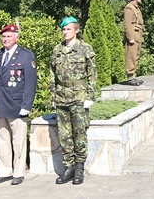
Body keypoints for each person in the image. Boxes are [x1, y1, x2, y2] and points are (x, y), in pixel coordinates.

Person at [0, 24, 38, 185]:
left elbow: (30, 83)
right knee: (2, 139)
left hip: (17, 105)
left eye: (9, 36)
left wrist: (26, 105)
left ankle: (18, 172)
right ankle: (5, 171)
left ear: (17, 37)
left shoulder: (25, 56)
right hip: (0, 103)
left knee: (18, 141)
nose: (5, 39)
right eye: (3, 36)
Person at [51, 17, 97, 185]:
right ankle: (68, 167)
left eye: (68, 29)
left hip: (79, 96)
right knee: (64, 135)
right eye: (63, 29)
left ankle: (79, 168)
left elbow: (92, 73)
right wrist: (53, 96)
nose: (65, 32)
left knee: (79, 133)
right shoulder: (57, 50)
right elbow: (52, 74)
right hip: (61, 96)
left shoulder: (85, 49)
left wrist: (90, 96)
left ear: (76, 30)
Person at [124, 0, 145, 86]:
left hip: (137, 33)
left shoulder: (136, 7)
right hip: (133, 34)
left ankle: (133, 76)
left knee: (135, 55)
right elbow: (127, 24)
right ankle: (130, 77)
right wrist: (130, 37)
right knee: (131, 56)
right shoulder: (129, 8)